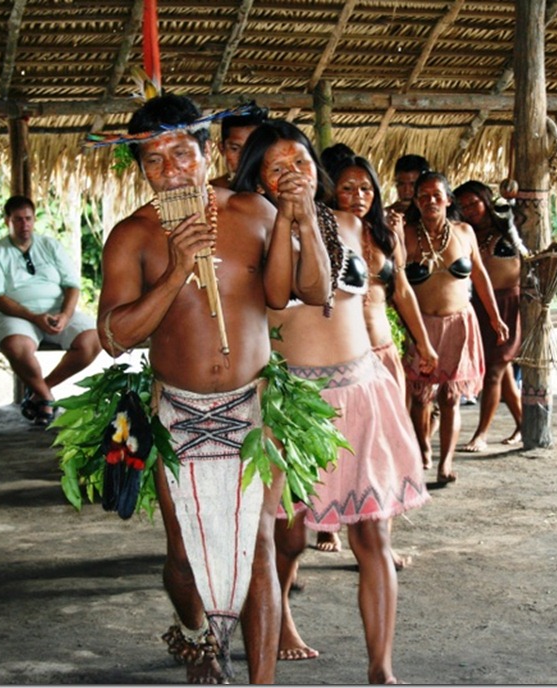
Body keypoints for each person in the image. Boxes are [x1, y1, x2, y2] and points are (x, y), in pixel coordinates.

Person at [96, 95, 331, 684]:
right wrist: (177, 268)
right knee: (183, 557)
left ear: (207, 153)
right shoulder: (134, 235)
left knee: (255, 549)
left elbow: (303, 291)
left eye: (182, 153)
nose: (171, 169)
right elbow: (115, 337)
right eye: (154, 161)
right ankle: (198, 633)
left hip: (254, 403)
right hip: (176, 411)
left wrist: (300, 218)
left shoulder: (254, 212)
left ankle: (259, 681)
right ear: (141, 170)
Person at [235, 122, 429, 684]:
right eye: (277, 168)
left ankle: (381, 667)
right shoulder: (255, 233)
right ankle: (283, 622)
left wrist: (306, 219)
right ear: (258, 181)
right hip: (296, 403)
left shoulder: (347, 224)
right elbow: (288, 293)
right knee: (288, 534)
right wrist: (291, 220)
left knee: (374, 535)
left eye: (300, 161)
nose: (293, 174)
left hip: (361, 390)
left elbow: (339, 288)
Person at [321, 145, 439, 568]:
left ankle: (378, 545)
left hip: (385, 354)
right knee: (341, 447)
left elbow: (402, 291)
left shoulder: (385, 234)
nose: (358, 194)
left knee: (385, 449)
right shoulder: (324, 233)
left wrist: (423, 344)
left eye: (366, 187)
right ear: (331, 190)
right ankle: (323, 524)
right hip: (344, 361)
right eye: (348, 187)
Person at [402, 172, 508, 484]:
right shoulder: (406, 235)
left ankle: (445, 462)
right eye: (423, 196)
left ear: (448, 200)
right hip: (421, 326)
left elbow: (479, 276)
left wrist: (494, 316)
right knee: (420, 397)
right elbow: (395, 281)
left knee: (450, 398)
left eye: (437, 195)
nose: (430, 201)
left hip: (459, 324)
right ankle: (423, 447)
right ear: (416, 203)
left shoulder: (464, 232)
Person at [0, 196, 102, 426]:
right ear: (7, 221)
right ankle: (46, 398)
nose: (24, 225)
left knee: (93, 339)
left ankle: (41, 390)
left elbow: (72, 285)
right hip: (13, 315)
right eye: (18, 220)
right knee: (16, 346)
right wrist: (34, 317)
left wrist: (65, 315)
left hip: (56, 310)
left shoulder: (50, 246)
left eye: (28, 219)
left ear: (35, 219)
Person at [454, 180, 529, 451]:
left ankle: (481, 434)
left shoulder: (508, 228)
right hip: (481, 306)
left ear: (486, 199)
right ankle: (523, 423)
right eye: (463, 205)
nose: (470, 209)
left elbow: (524, 220)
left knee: (494, 371)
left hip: (509, 305)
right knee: (502, 369)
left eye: (474, 202)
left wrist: (512, 198)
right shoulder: (464, 233)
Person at [209, 106, 268, 189]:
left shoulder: (279, 192)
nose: (244, 157)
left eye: (252, 148)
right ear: (222, 149)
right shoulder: (210, 193)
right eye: (235, 149)